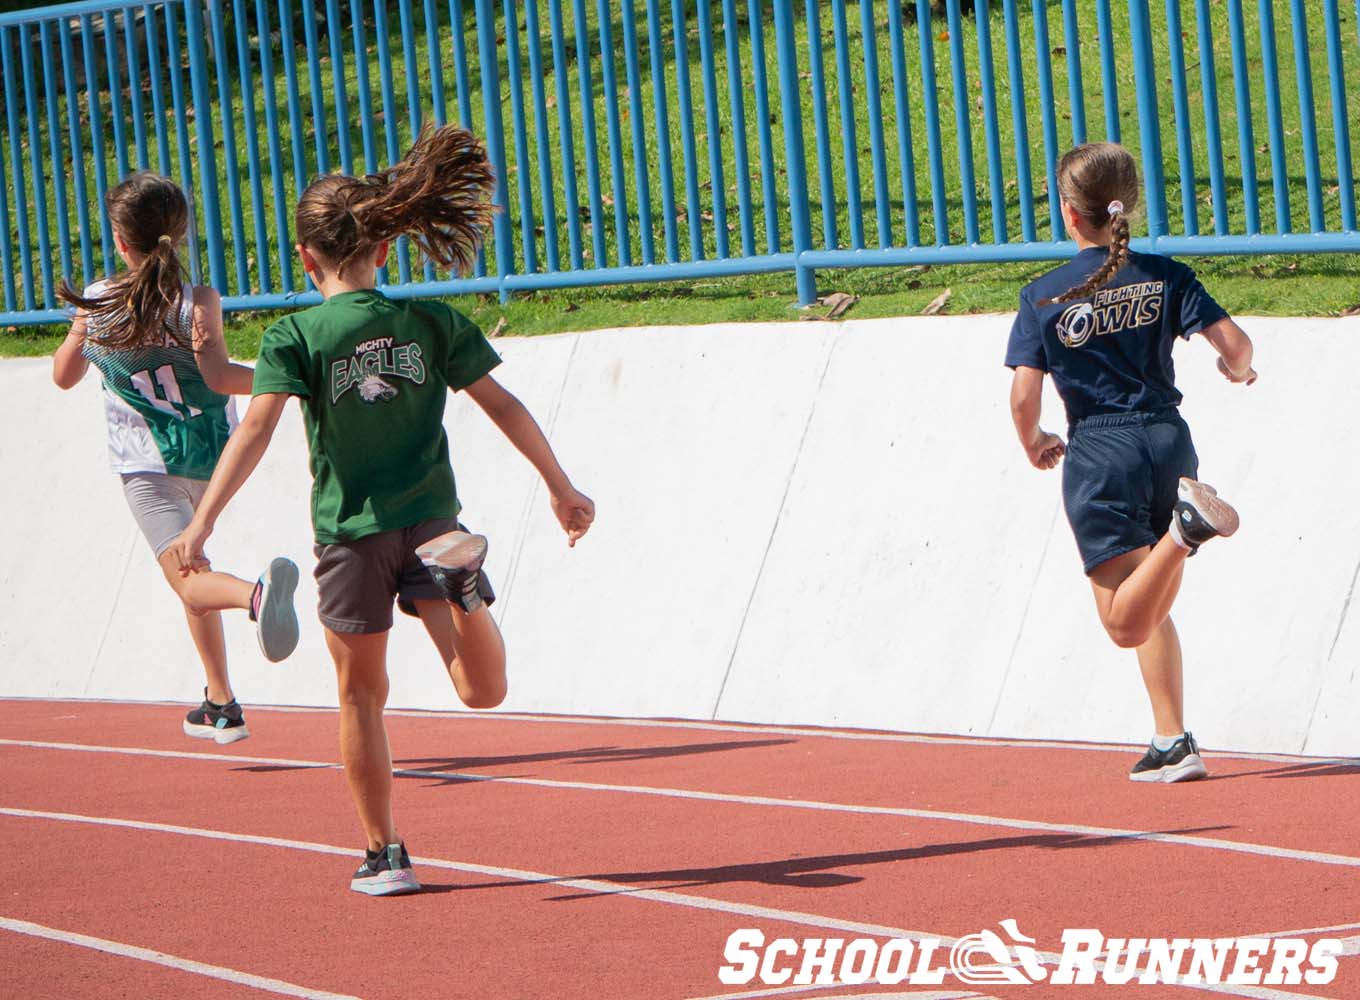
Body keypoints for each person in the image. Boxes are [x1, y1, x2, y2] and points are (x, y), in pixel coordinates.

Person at [166, 125, 595, 896]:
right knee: (481, 691)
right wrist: (560, 485)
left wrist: (202, 524)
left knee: (361, 694)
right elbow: (504, 404)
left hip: (352, 537)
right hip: (435, 523)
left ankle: (385, 854)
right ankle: (466, 593)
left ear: (306, 257)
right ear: (384, 248)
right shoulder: (431, 322)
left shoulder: (295, 335)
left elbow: (256, 429)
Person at [1004, 142, 1256, 783]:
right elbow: (1235, 344)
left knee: (1122, 622)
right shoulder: (1166, 275)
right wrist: (1240, 369)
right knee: (1150, 605)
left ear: (1068, 212)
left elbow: (1023, 396)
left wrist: (1034, 441)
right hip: (1171, 443)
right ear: (1127, 206)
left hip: (1101, 450)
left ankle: (1184, 528)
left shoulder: (1043, 296)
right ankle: (1173, 741)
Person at [51, 173, 300, 745]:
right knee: (195, 563)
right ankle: (220, 700)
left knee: (190, 583)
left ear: (120, 237)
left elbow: (64, 376)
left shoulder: (99, 302)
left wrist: (79, 332)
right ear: (180, 232)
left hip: (148, 467)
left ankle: (254, 595)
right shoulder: (200, 301)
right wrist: (284, 379)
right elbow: (219, 377)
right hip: (212, 458)